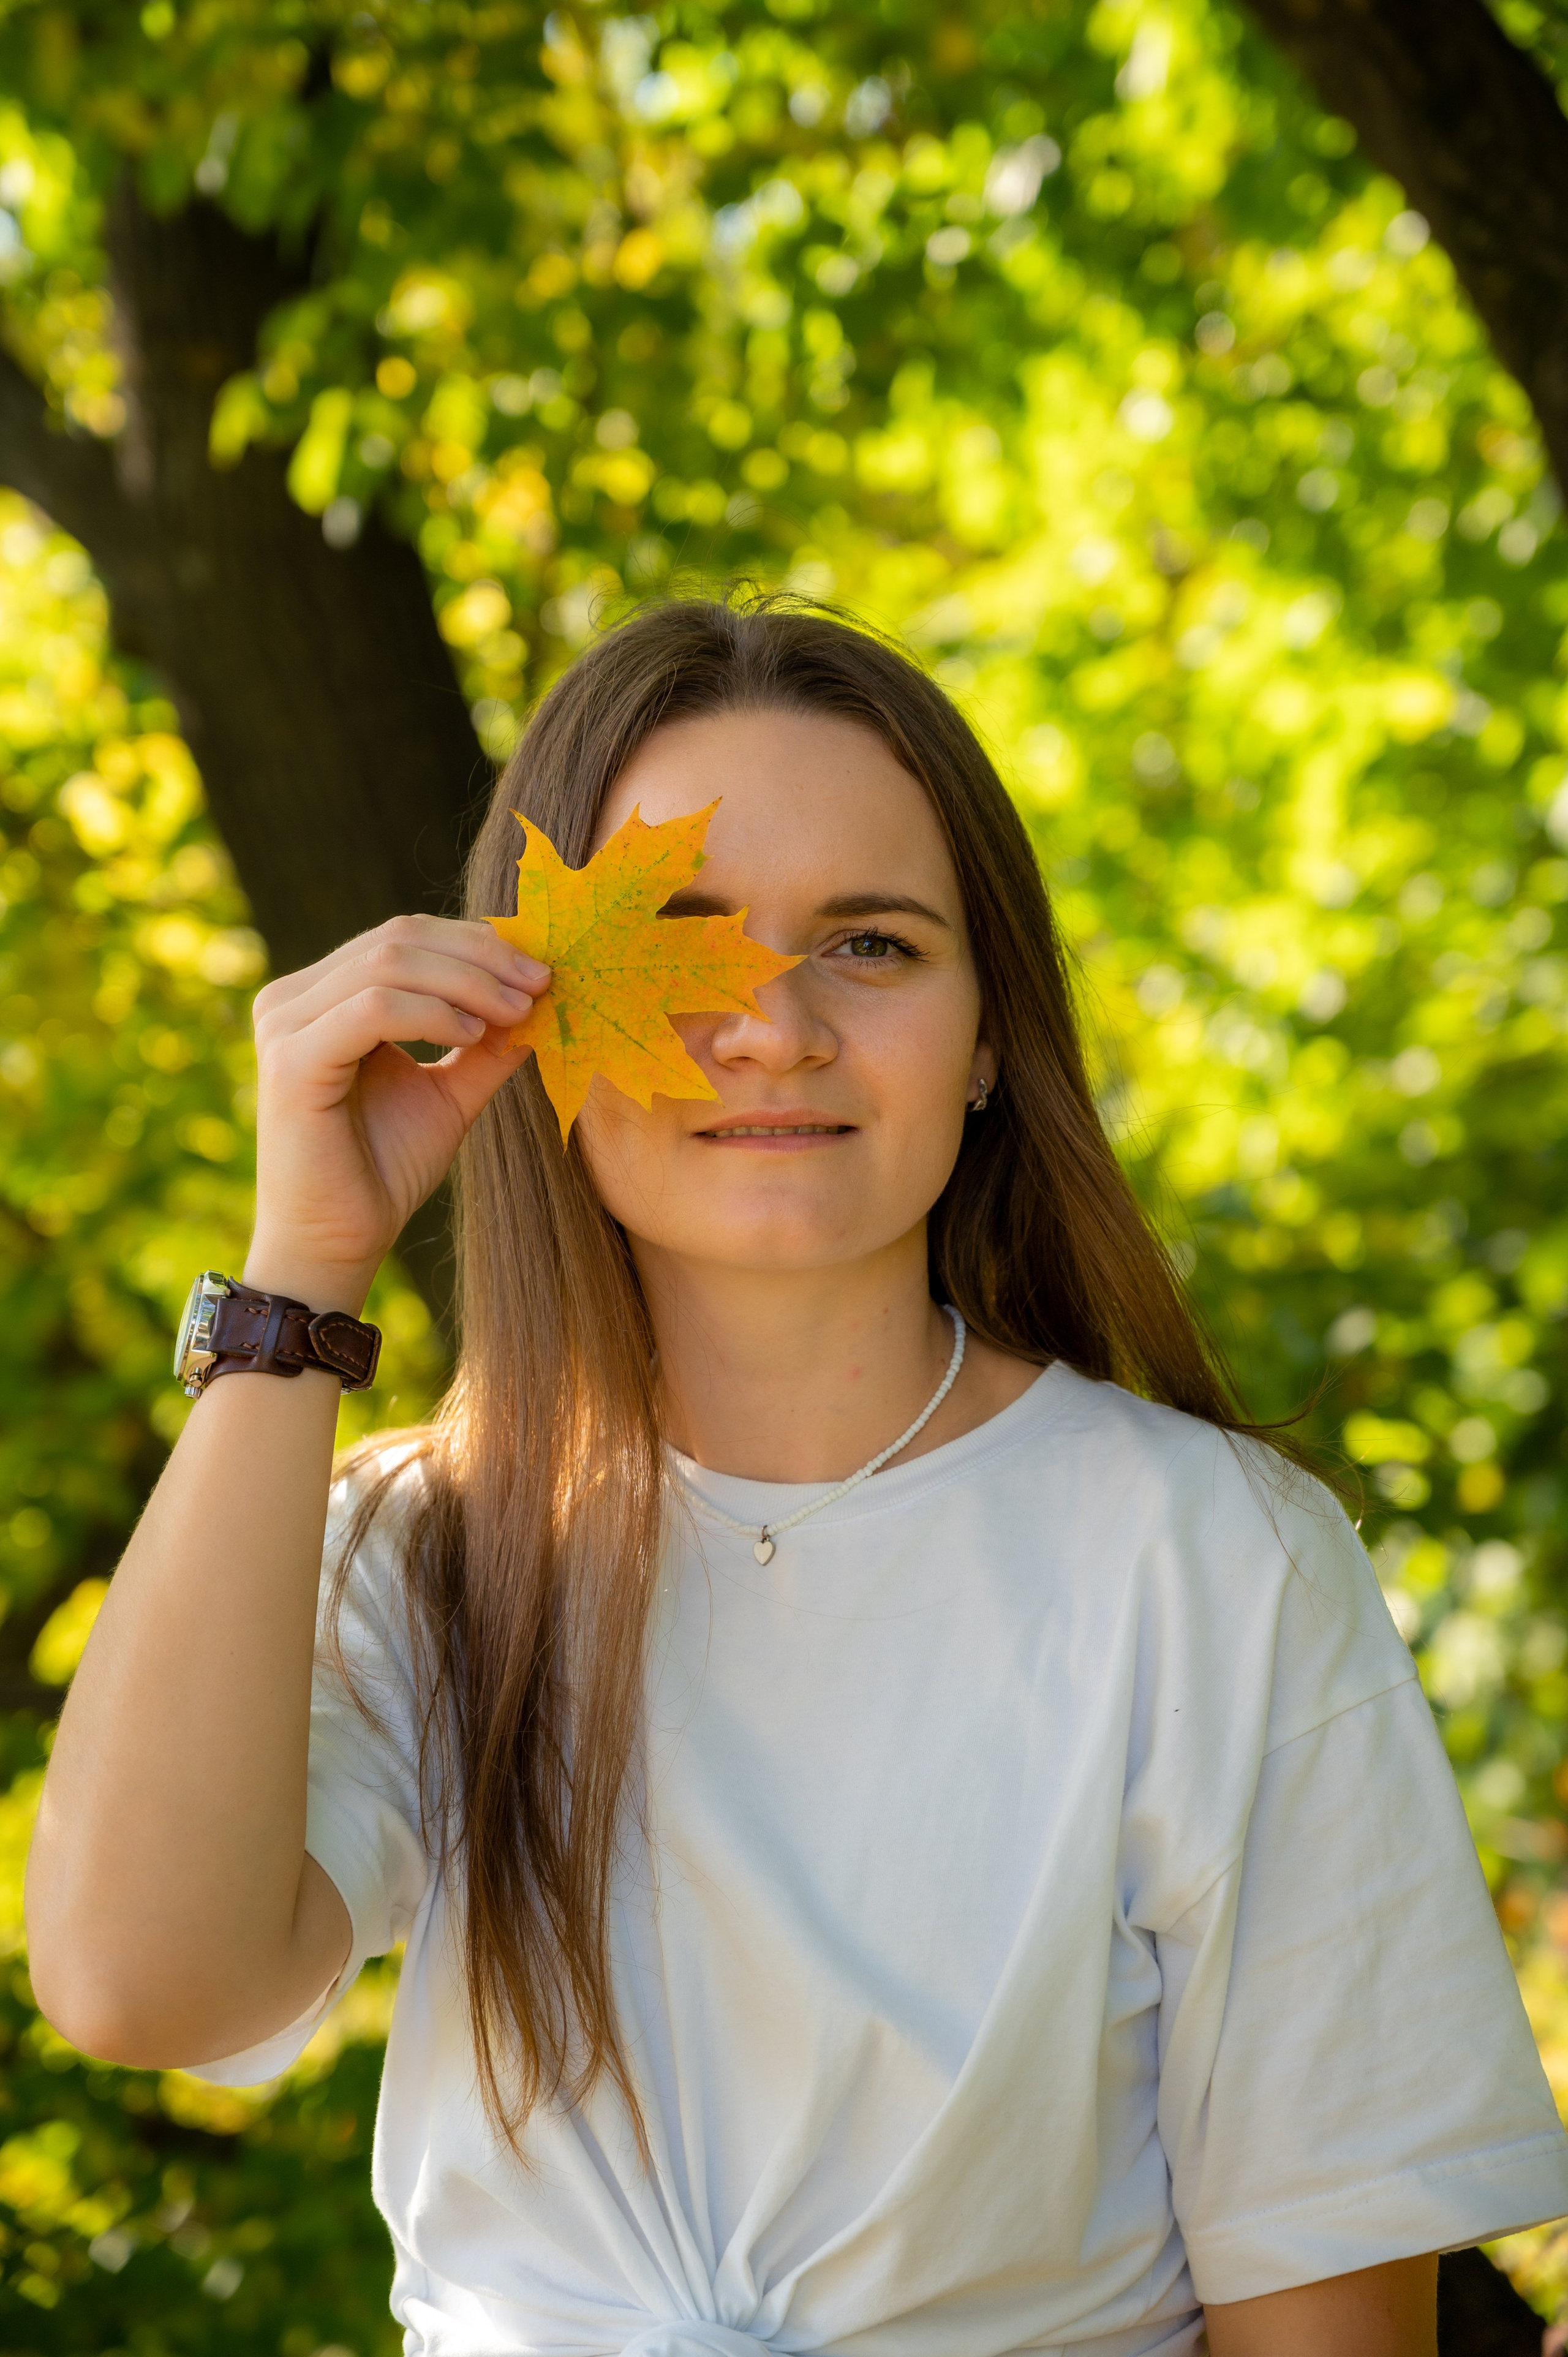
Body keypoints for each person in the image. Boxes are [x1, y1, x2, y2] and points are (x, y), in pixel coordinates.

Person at [26, 598, 1568, 2357]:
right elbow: (138, 1982)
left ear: (992, 1038)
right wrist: (303, 1268)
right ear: (527, 1017)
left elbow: (1330, 2327)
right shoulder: (426, 1548)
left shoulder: (1211, 1563)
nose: (771, 1026)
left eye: (876, 945)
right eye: (676, 943)